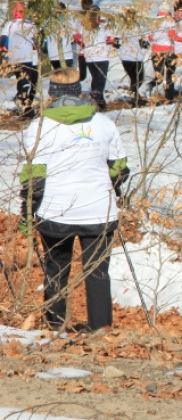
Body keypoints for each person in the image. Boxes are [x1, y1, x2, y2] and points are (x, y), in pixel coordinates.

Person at [20, 67, 129, 331]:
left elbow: (34, 179)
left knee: (56, 268)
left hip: (55, 211)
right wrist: (113, 189)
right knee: (98, 272)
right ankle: (100, 330)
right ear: (79, 91)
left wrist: (27, 213)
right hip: (99, 212)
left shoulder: (39, 127)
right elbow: (120, 169)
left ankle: (55, 326)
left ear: (51, 93)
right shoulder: (103, 124)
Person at [2, 1, 39, 116]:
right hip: (29, 58)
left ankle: (24, 107)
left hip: (16, 59)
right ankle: (24, 109)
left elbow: (3, 39)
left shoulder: (9, 25)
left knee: (23, 83)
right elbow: (38, 41)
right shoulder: (31, 25)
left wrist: (4, 50)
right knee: (30, 84)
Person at [76, 4, 113, 111]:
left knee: (96, 80)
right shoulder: (104, 26)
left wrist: (85, 47)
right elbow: (110, 40)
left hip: (89, 57)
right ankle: (93, 101)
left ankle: (102, 104)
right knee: (100, 82)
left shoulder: (83, 26)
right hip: (101, 57)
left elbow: (78, 38)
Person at [148, 1, 182, 102]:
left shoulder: (154, 21)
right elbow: (172, 36)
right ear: (168, 11)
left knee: (158, 76)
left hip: (156, 52)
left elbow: (150, 37)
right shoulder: (170, 21)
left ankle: (148, 90)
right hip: (169, 52)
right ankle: (169, 97)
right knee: (170, 75)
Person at [114, 8, 150, 106]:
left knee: (137, 79)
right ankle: (135, 99)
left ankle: (135, 98)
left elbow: (116, 42)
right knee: (137, 79)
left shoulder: (130, 27)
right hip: (131, 57)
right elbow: (115, 41)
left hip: (131, 57)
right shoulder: (128, 28)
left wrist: (145, 44)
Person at [44, 3, 77, 70]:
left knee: (59, 76)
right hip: (63, 54)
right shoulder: (68, 22)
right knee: (65, 77)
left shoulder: (47, 22)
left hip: (56, 54)